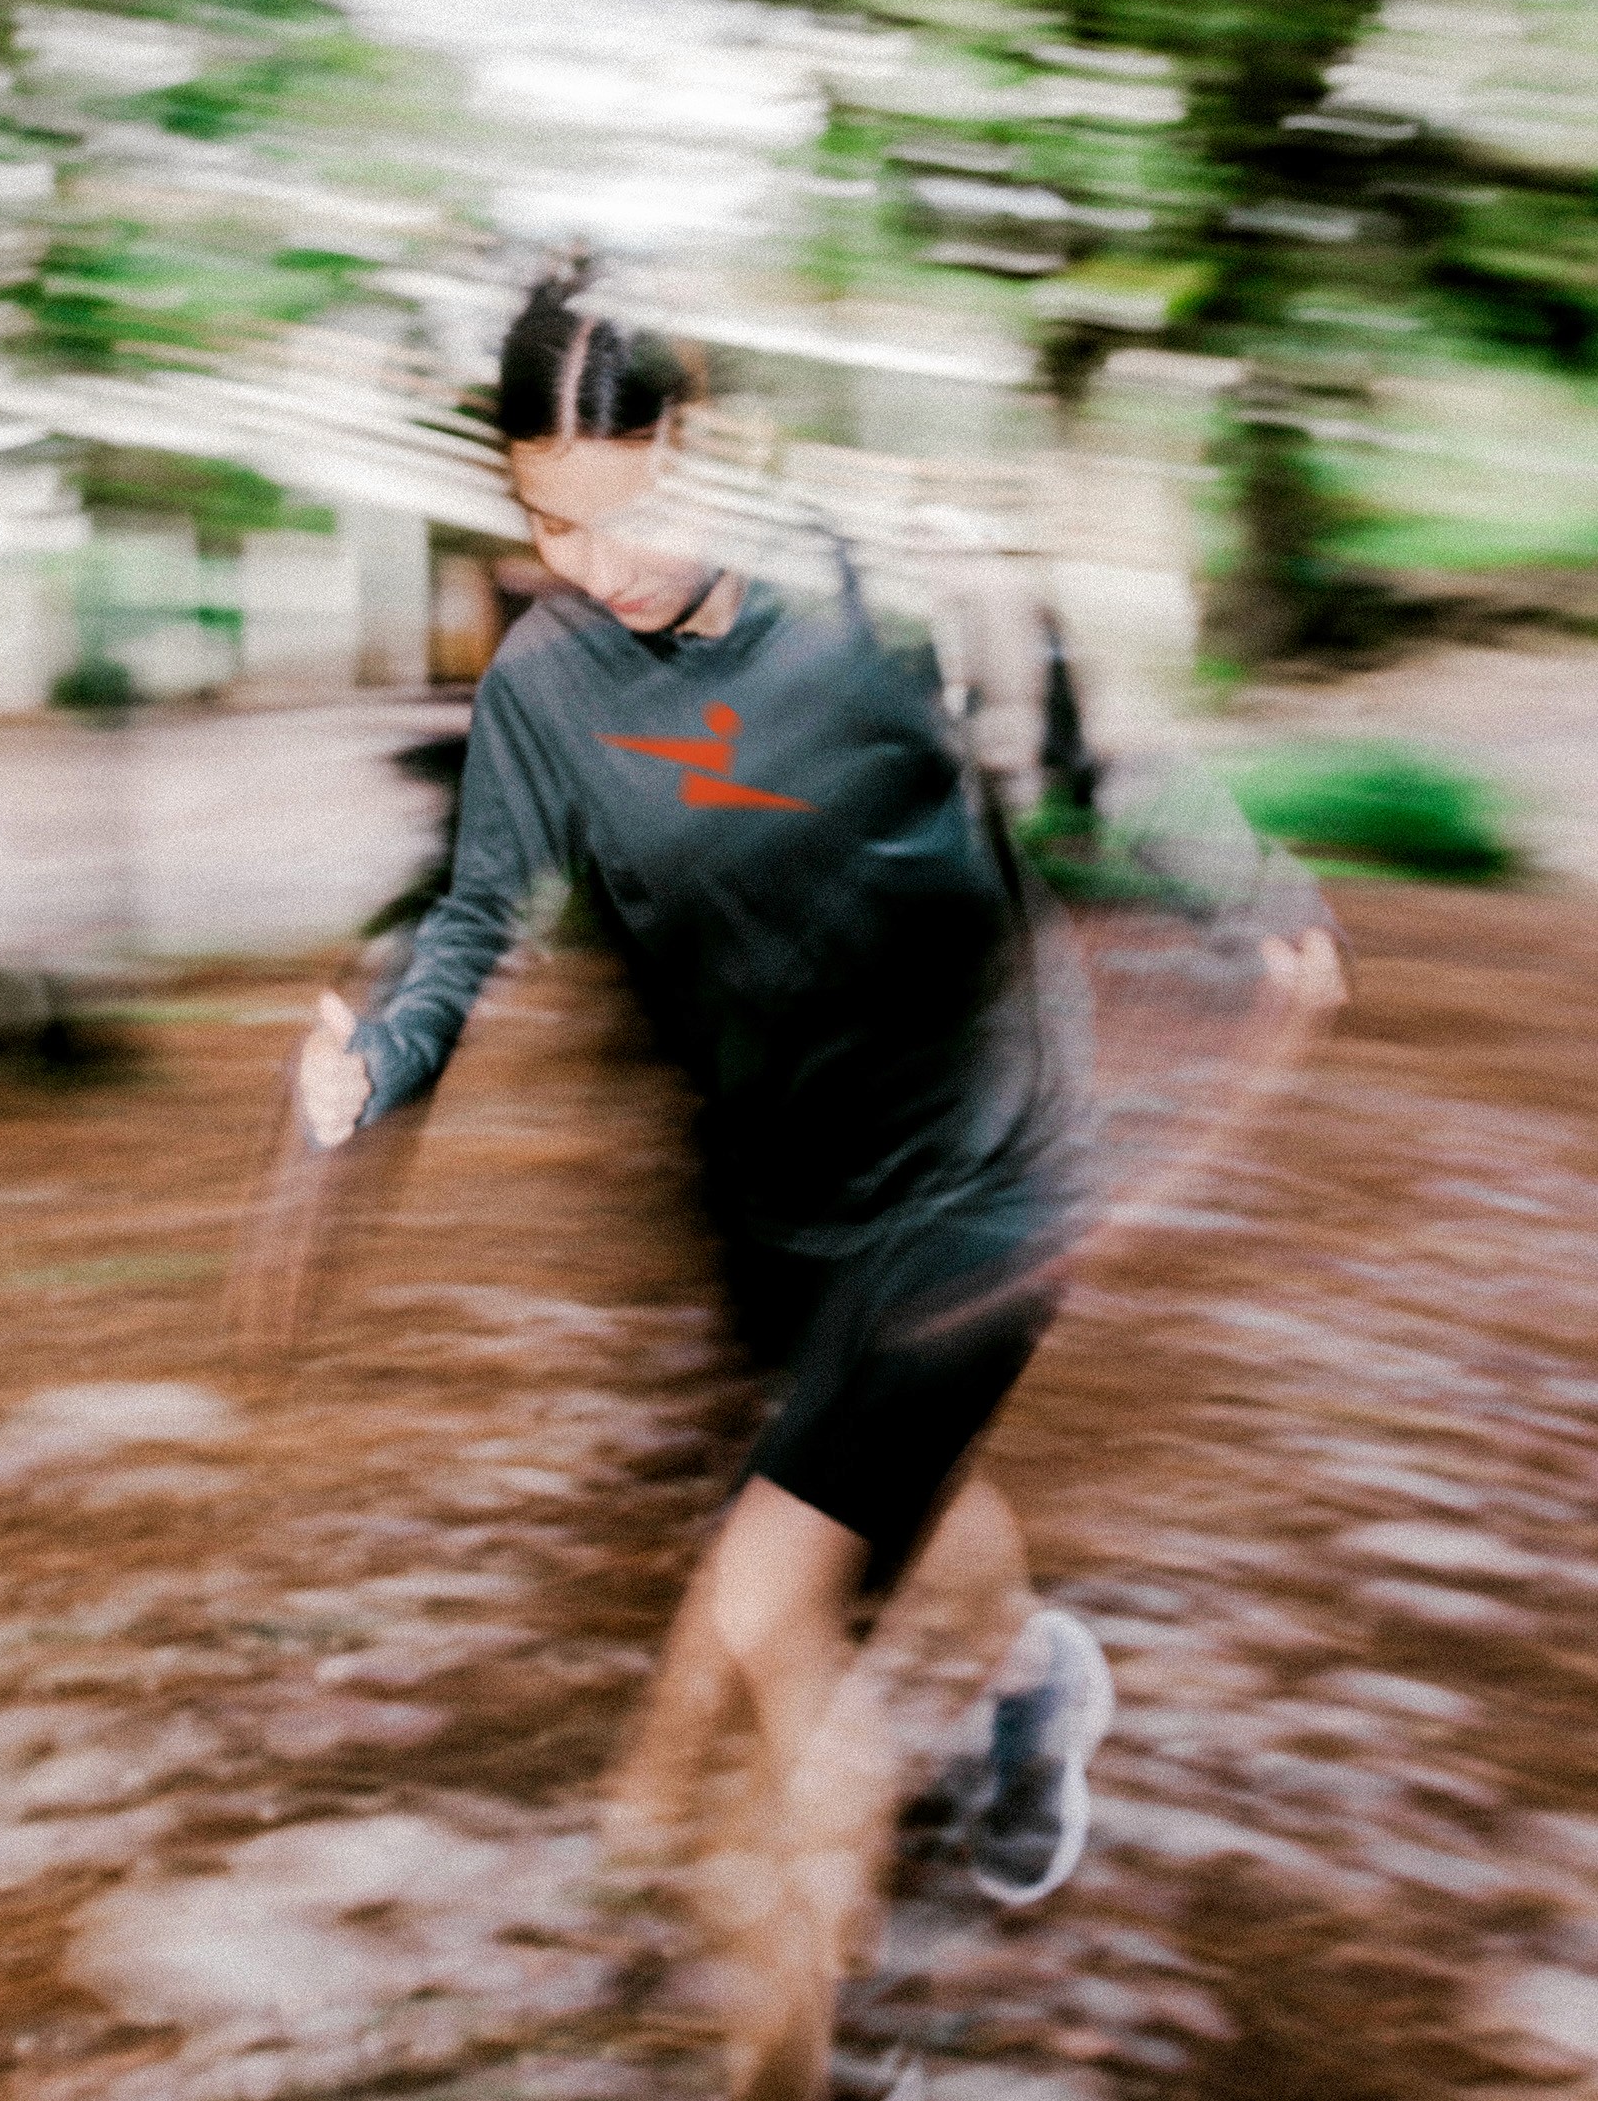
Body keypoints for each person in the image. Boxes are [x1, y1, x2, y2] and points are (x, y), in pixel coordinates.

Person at [299, 271, 1344, 2101]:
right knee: (889, 1513)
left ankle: (799, 2059)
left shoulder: (873, 608)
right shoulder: (548, 679)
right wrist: (379, 1060)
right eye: (547, 517)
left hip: (984, 1174)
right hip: (775, 1192)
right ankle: (1032, 1681)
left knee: (782, 1612)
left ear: (700, 444)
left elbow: (1095, 760)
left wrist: (1248, 888)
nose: (589, 560)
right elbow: (478, 913)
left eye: (618, 510)